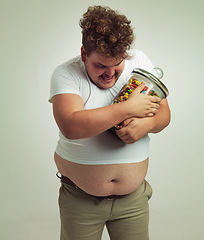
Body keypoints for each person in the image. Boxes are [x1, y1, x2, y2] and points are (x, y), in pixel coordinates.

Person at [49, 5, 170, 240]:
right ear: (84, 54)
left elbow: (164, 115)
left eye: (117, 65)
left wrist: (147, 125)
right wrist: (128, 108)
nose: (110, 73)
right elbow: (71, 126)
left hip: (133, 200)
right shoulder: (66, 73)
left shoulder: (139, 61)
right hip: (81, 200)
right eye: (100, 65)